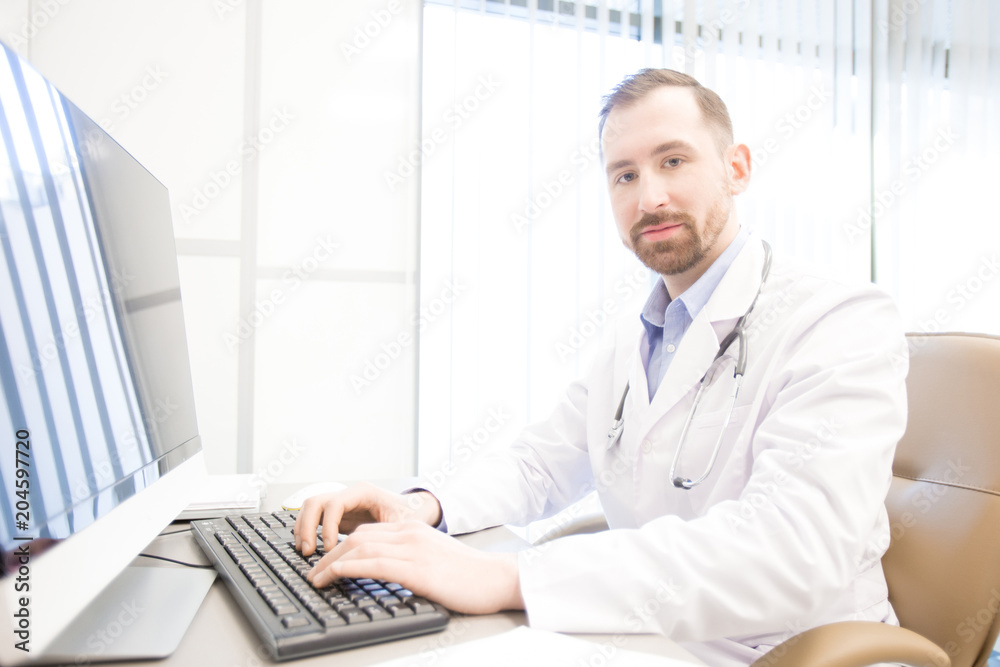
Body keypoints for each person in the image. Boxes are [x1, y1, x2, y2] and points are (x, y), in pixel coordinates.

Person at [294, 69, 908, 665]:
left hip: (783, 652)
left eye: (673, 160)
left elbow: (793, 551)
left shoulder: (839, 320)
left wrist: (508, 578)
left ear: (736, 168)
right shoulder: (637, 337)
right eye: (624, 175)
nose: (649, 197)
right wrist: (426, 505)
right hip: (645, 638)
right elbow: (541, 465)